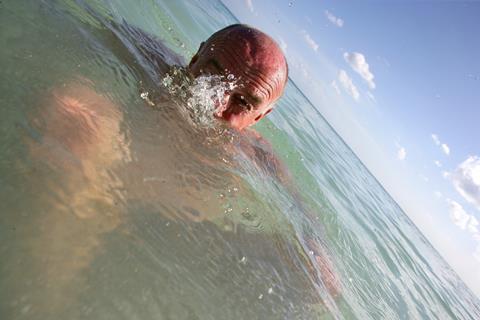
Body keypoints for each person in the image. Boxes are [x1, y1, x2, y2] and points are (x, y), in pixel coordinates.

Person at [27, 23, 339, 314]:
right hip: (108, 177)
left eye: (242, 103)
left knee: (319, 279)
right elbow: (90, 26)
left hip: (181, 226)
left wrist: (316, 248)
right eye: (212, 76)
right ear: (194, 57)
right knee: (76, 115)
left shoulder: (257, 155)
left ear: (259, 117)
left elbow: (301, 210)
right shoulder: (155, 63)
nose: (216, 104)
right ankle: (45, 302)